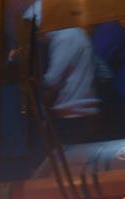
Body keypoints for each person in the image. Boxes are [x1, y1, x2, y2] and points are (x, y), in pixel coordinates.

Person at [23, 0, 102, 144]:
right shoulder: (73, 33)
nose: (36, 37)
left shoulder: (65, 37)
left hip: (73, 117)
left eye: (35, 30)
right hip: (80, 116)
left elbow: (53, 80)